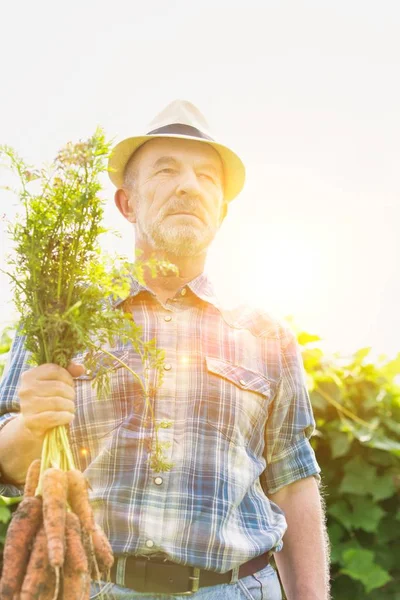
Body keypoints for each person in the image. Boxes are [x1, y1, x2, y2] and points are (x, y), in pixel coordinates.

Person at [0, 100, 330, 599]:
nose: (188, 186)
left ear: (220, 210)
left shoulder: (267, 334)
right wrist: (31, 423)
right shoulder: (59, 313)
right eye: (166, 170)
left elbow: (293, 481)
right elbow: (5, 463)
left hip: (237, 590)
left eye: (206, 177)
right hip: (92, 588)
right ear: (127, 203)